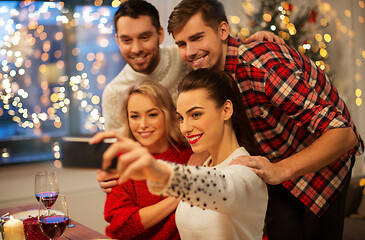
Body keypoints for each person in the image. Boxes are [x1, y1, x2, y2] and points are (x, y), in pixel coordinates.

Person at [166, 1, 364, 239]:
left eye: (197, 38)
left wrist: (280, 170)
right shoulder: (209, 68)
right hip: (276, 163)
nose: (189, 52)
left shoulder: (261, 66)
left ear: (222, 31)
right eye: (181, 44)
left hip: (324, 165)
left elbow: (343, 135)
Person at [100, 68, 268, 240]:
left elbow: (224, 189)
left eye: (195, 114)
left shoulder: (247, 170)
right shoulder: (201, 164)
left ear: (226, 110)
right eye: (181, 118)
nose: (185, 128)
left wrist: (157, 170)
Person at [102, 0, 284, 132]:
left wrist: (258, 40)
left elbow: (220, 49)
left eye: (144, 37)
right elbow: (119, 154)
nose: (136, 49)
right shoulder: (113, 93)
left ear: (159, 35)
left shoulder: (186, 56)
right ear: (117, 40)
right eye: (126, 40)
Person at [91, 80, 193, 239]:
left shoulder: (191, 156)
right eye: (135, 116)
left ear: (168, 115)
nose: (143, 124)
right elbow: (123, 228)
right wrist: (182, 193)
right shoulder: (122, 161)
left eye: (152, 114)